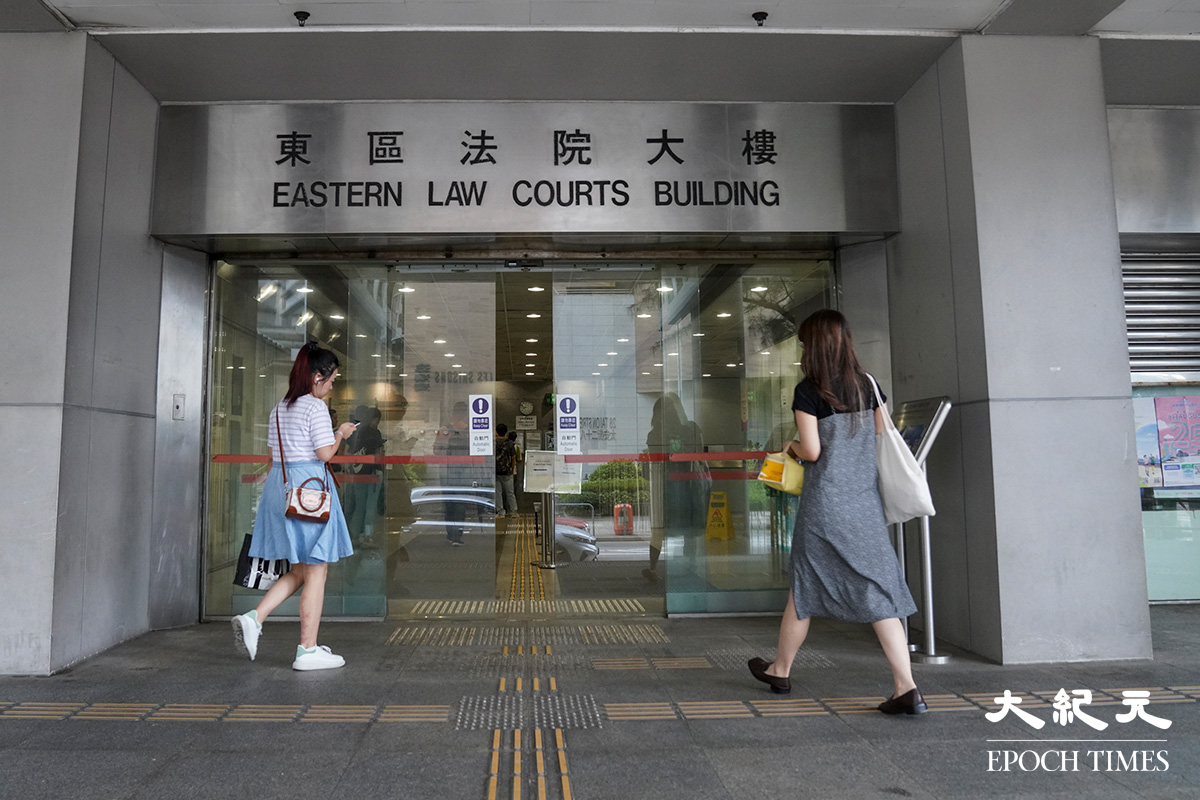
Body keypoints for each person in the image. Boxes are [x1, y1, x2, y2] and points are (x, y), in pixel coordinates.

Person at [748, 309, 925, 715]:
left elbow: (812, 451)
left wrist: (791, 447)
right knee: (879, 591)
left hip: (825, 506)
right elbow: (880, 434)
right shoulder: (869, 386)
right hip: (864, 505)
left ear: (813, 347)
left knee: (805, 586)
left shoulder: (809, 391)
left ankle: (780, 670)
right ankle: (906, 686)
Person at [231, 342, 358, 671]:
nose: (333, 385)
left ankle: (255, 617)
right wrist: (341, 433)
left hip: (281, 487)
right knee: (316, 570)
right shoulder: (314, 407)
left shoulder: (279, 408)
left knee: (301, 569)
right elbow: (325, 454)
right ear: (317, 377)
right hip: (309, 492)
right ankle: (307, 649)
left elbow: (273, 456)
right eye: (332, 379)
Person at [643, 392, 710, 581]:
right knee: (690, 525)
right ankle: (691, 563)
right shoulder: (691, 429)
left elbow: (654, 461)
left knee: (659, 527)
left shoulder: (655, 434)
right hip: (690, 482)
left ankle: (653, 567)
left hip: (665, 484)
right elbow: (700, 455)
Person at [434, 401, 470, 545]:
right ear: (465, 413)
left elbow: (436, 451)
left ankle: (451, 534)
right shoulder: (469, 431)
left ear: (453, 412)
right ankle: (457, 536)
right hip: (465, 472)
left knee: (449, 503)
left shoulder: (444, 430)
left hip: (447, 472)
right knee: (461, 504)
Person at [495, 423, 518, 517]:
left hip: (496, 471)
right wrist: (512, 470)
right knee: (510, 493)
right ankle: (514, 511)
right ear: (506, 432)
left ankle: (500, 512)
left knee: (498, 493)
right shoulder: (510, 443)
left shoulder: (493, 443)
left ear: (496, 432)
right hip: (507, 471)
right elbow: (513, 458)